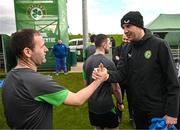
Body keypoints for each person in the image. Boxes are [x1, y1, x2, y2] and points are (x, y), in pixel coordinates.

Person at [1, 29, 108, 129]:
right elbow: (77, 100)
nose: (46, 50)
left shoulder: (10, 76)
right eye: (42, 46)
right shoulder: (37, 82)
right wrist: (99, 79)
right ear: (28, 52)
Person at [92, 11, 180, 129]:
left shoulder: (159, 45)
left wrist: (172, 113)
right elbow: (121, 74)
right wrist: (107, 75)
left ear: (139, 25)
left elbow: (173, 81)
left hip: (158, 110)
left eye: (128, 26)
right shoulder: (127, 48)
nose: (125, 31)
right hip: (138, 110)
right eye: (123, 27)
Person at [83, 34, 124, 130]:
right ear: (104, 44)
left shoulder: (87, 62)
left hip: (92, 106)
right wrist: (120, 102)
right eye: (109, 43)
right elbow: (116, 88)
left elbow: (85, 84)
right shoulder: (109, 63)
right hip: (107, 106)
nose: (109, 46)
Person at [113, 34, 135, 128]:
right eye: (124, 39)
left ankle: (132, 118)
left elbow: (134, 62)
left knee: (132, 100)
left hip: (130, 80)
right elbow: (116, 60)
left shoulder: (133, 48)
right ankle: (118, 117)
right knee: (119, 99)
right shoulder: (117, 49)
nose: (126, 40)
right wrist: (125, 62)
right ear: (122, 39)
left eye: (127, 39)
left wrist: (122, 61)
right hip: (120, 79)